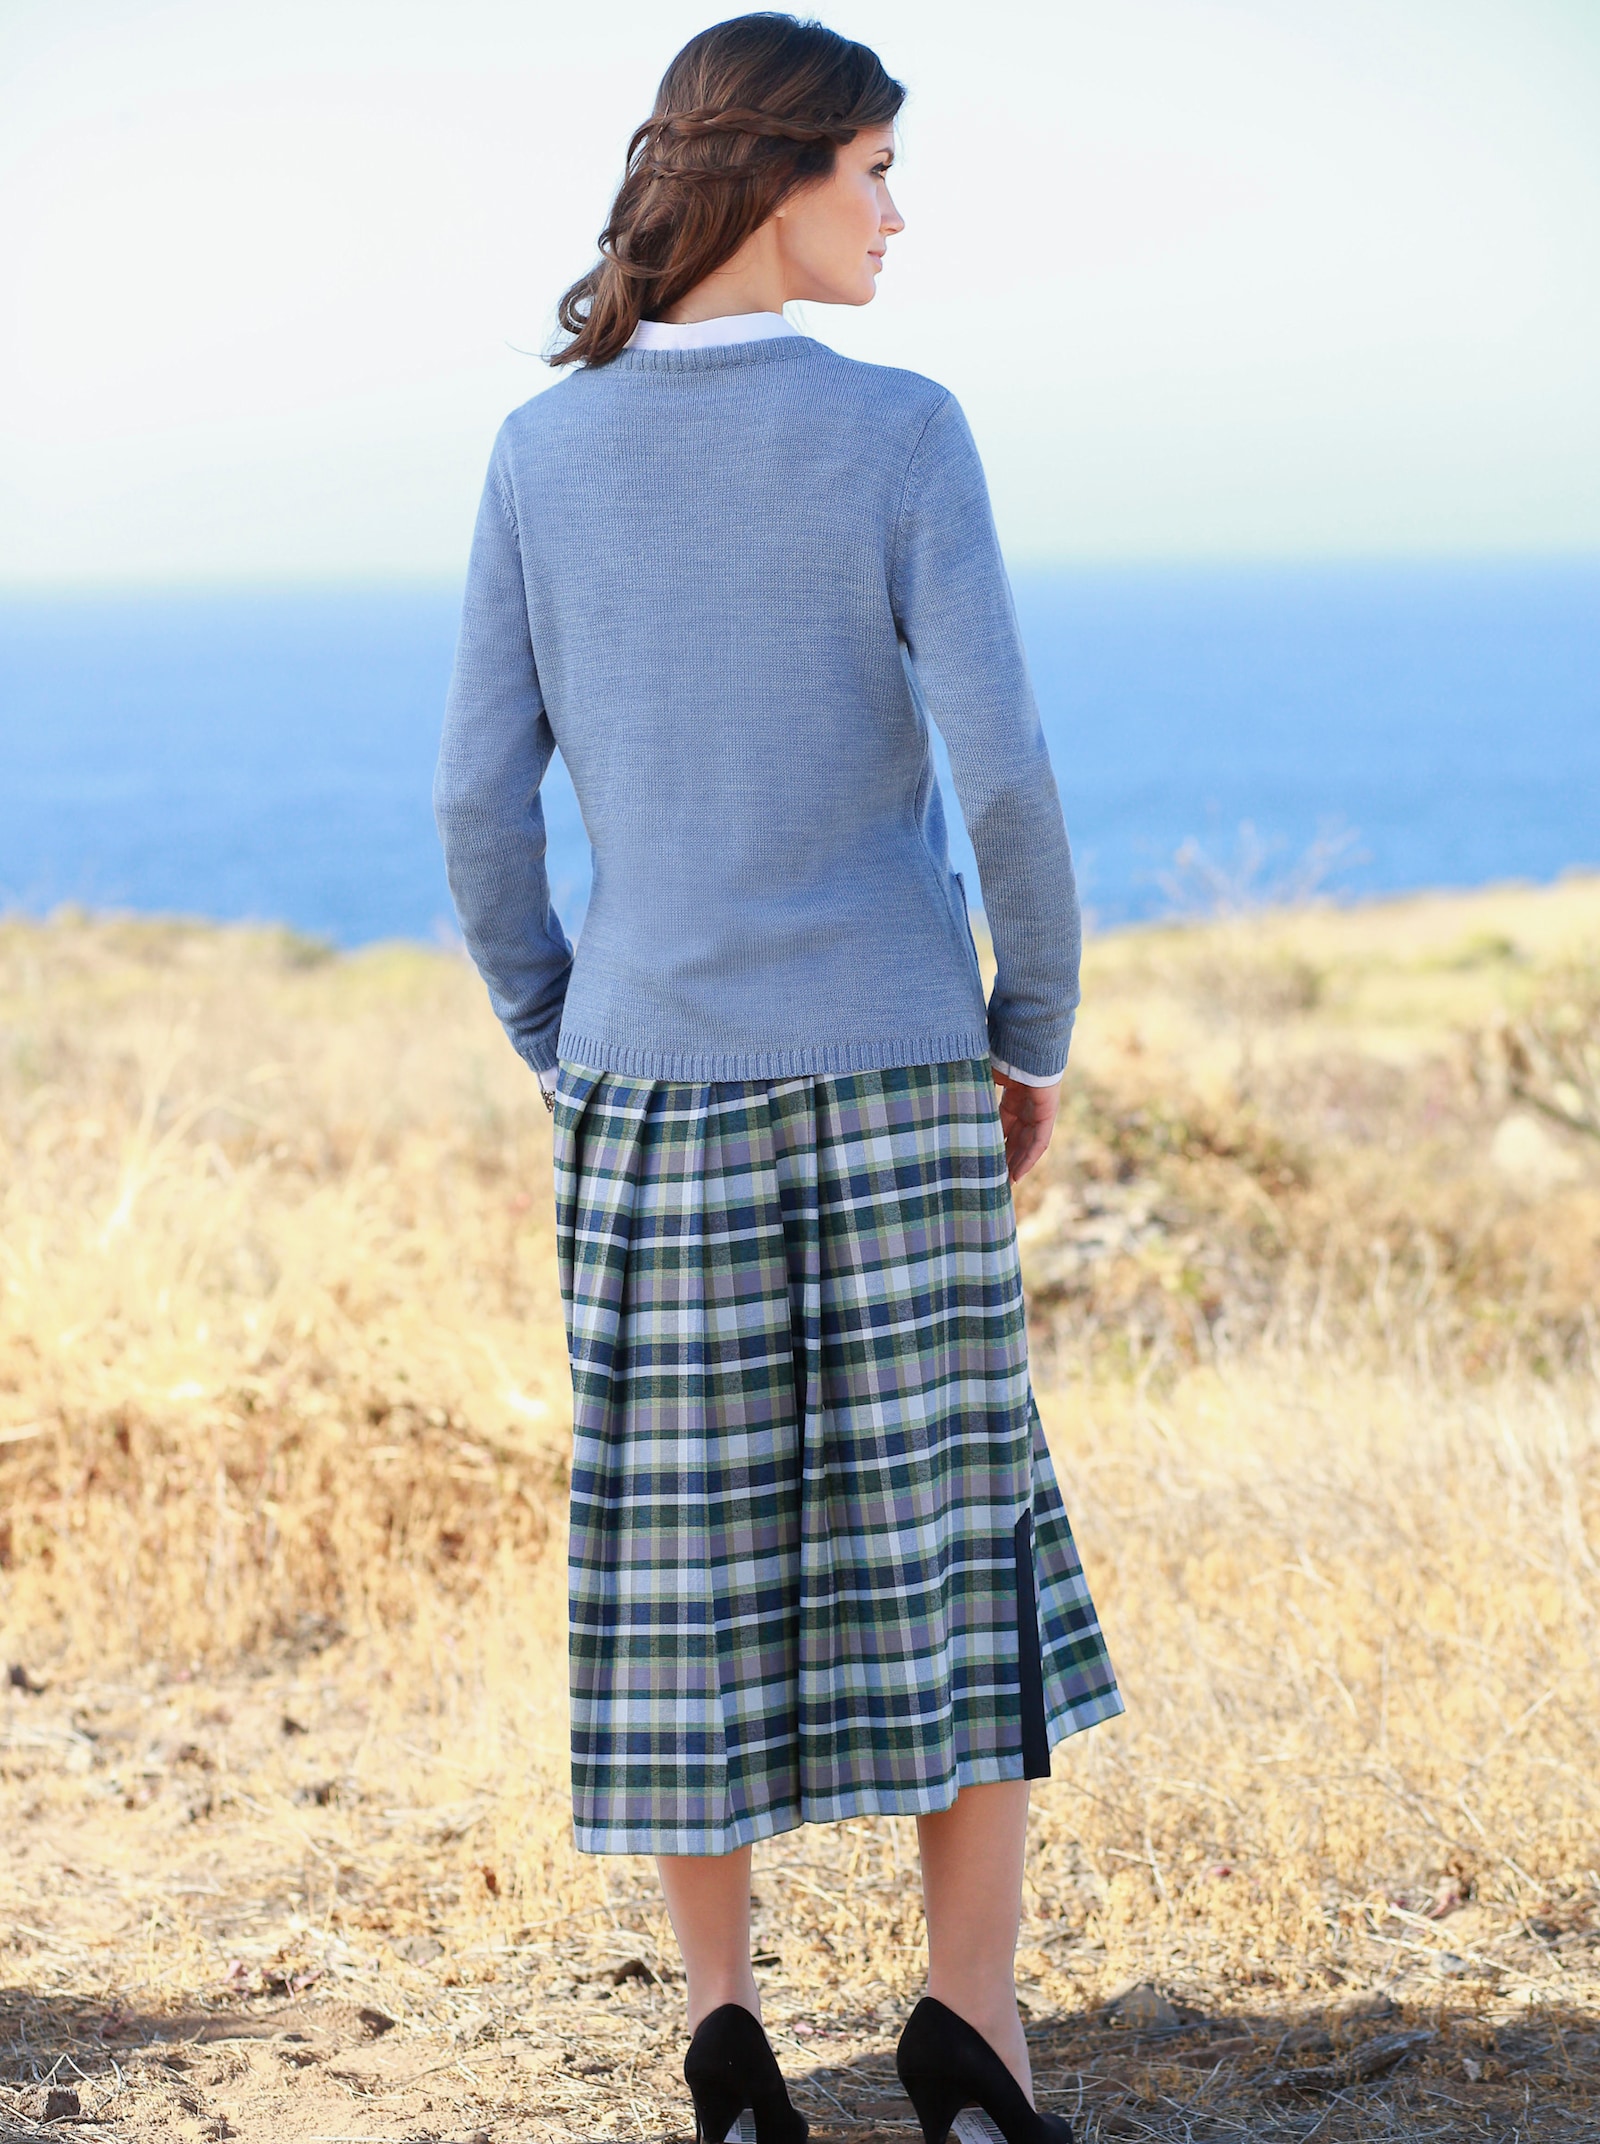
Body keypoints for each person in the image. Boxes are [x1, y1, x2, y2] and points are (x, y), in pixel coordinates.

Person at [434, 15, 1122, 2143]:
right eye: (879, 171)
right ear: (776, 172)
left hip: (654, 1088)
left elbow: (479, 807)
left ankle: (727, 2039)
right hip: (899, 1075)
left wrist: (577, 1032)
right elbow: (1002, 779)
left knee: (682, 1565)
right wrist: (1030, 1037)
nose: (899, 213)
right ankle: (971, 2035)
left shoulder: (539, 457)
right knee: (953, 1542)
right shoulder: (902, 433)